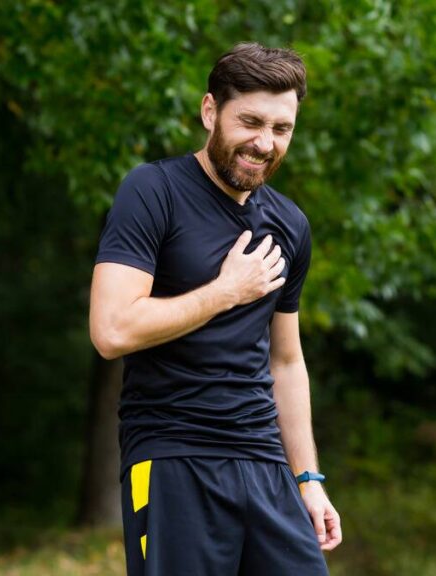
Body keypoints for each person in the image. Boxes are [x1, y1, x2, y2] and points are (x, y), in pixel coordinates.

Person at [89, 42, 341, 576]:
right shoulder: (152, 191)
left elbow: (286, 362)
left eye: (281, 129)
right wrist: (224, 291)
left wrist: (308, 480)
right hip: (173, 457)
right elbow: (111, 330)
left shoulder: (290, 225)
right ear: (210, 111)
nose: (265, 143)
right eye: (250, 122)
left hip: (265, 464)